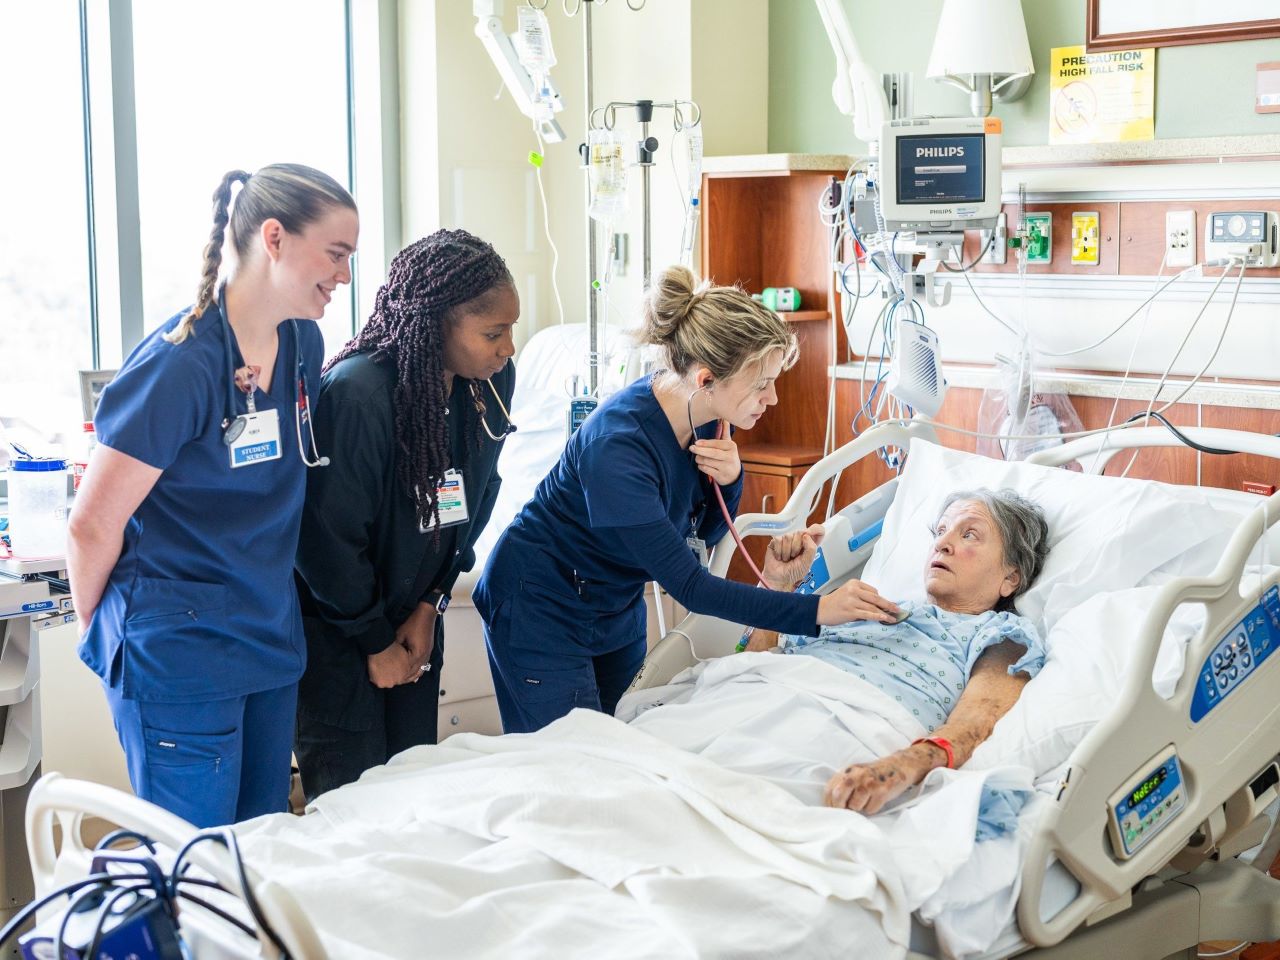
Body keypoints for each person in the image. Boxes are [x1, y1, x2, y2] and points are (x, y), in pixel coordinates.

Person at [475, 264, 899, 735]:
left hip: (613, 603)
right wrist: (818, 609)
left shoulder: (708, 416)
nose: (773, 398)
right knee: (570, 758)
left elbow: (707, 533)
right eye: (761, 384)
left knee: (626, 741)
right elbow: (693, 587)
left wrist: (735, 476)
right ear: (705, 378)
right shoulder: (616, 449)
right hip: (540, 601)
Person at [67, 164, 358, 827]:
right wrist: (109, 637)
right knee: (196, 864)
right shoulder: (180, 366)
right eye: (336, 254)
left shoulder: (302, 344)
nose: (344, 275)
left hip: (266, 638)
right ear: (275, 238)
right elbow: (91, 525)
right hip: (179, 656)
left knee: (258, 846)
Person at [292, 229, 517, 801]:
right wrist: (374, 642)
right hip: (341, 636)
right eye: (493, 333)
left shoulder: (486, 384)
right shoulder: (359, 396)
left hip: (414, 622)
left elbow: (475, 496)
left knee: (411, 793)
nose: (507, 348)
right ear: (436, 322)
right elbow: (327, 544)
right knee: (350, 807)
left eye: (512, 329)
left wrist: (429, 605)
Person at [745, 487, 1050, 814]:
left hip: (837, 736)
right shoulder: (862, 605)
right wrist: (777, 588)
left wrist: (894, 770)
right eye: (941, 530)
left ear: (1010, 578)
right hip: (755, 706)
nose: (943, 543)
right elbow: (752, 666)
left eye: (970, 535)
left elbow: (975, 722)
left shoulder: (999, 633)